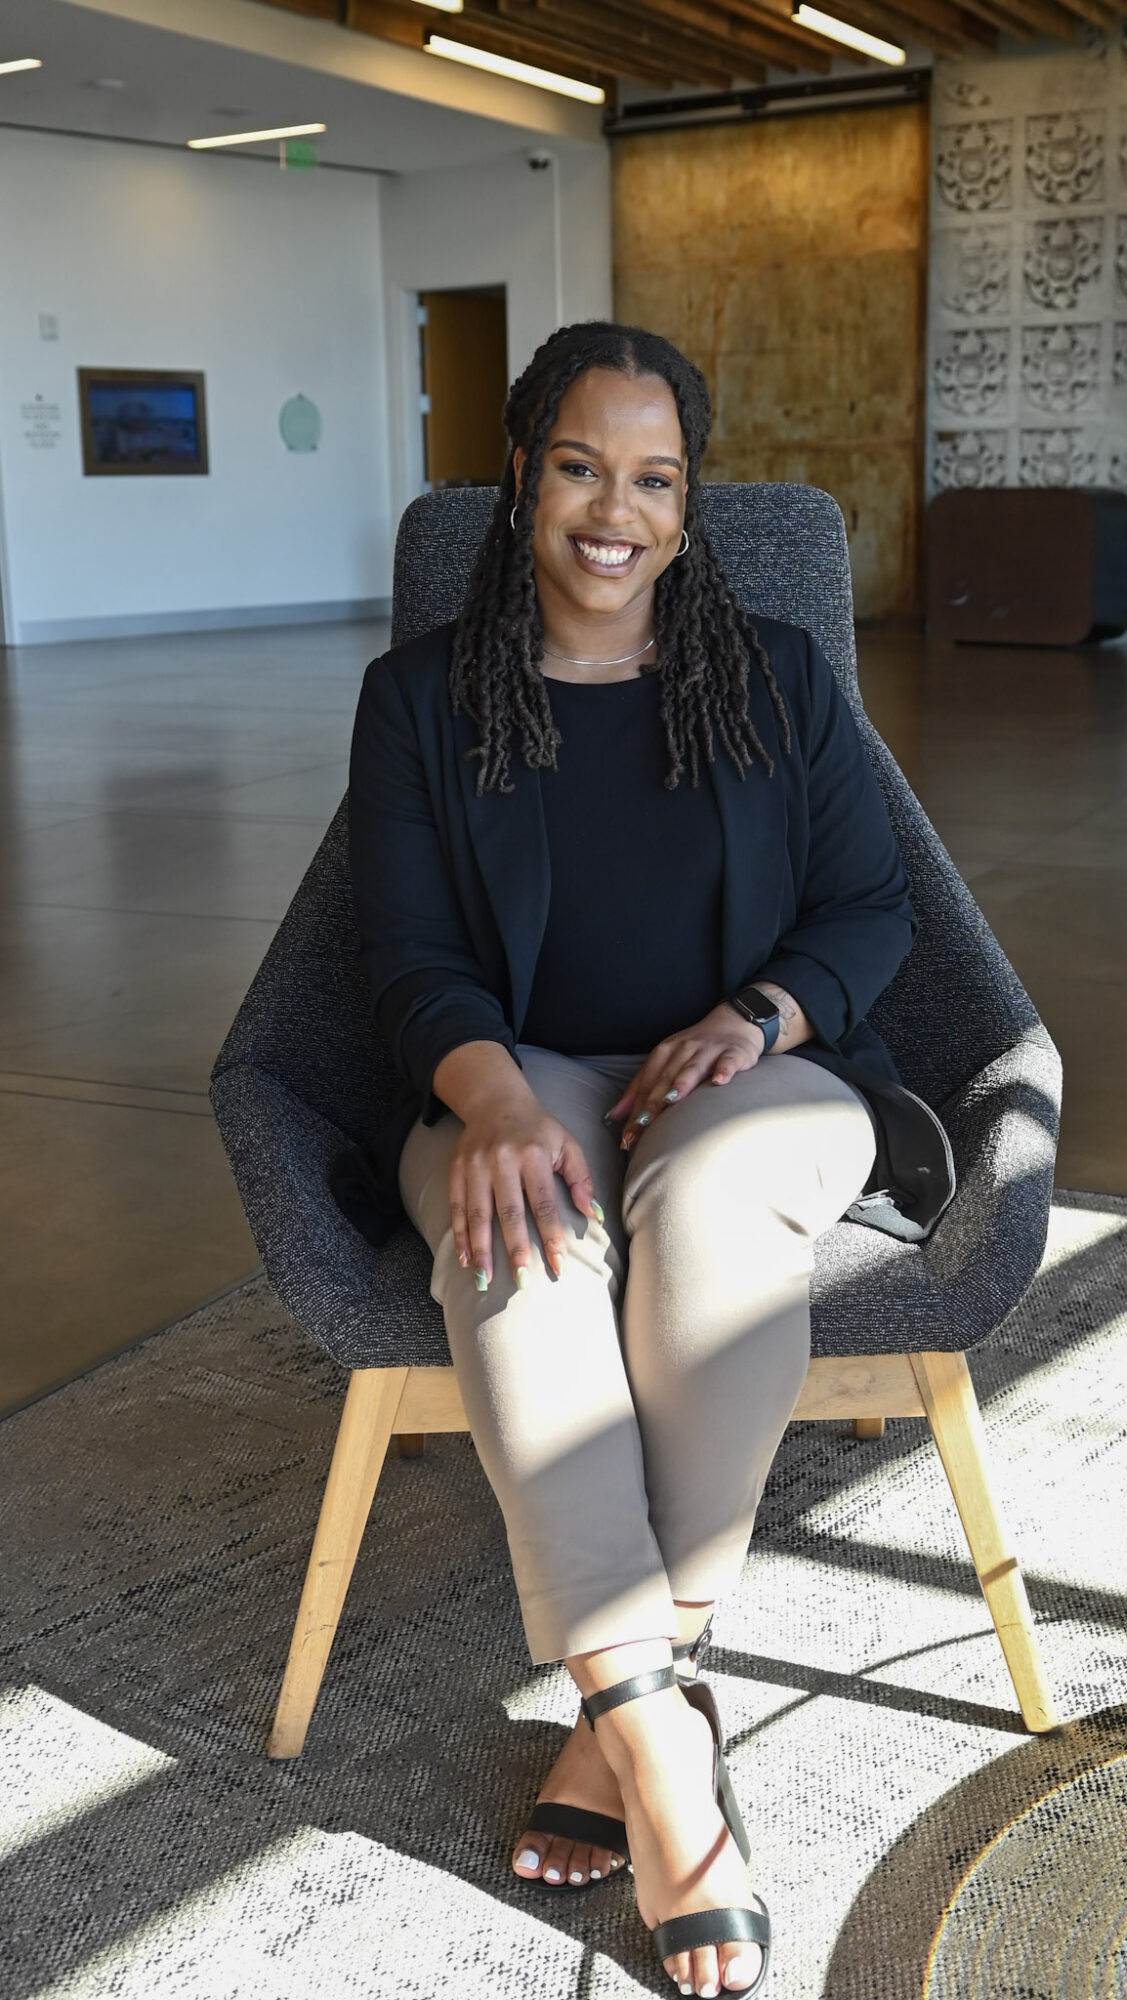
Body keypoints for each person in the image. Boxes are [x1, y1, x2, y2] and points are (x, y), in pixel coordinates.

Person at [345, 320, 918, 1999]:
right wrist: (498, 1102)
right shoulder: (419, 701)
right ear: (522, 474)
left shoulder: (781, 682)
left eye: (653, 478)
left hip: (751, 1071)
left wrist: (757, 1017)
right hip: (516, 1075)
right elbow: (402, 957)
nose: (615, 510)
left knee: (717, 1206)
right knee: (510, 1226)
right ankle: (659, 1742)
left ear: (688, 504)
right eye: (581, 466)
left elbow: (869, 909)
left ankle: (618, 1723)